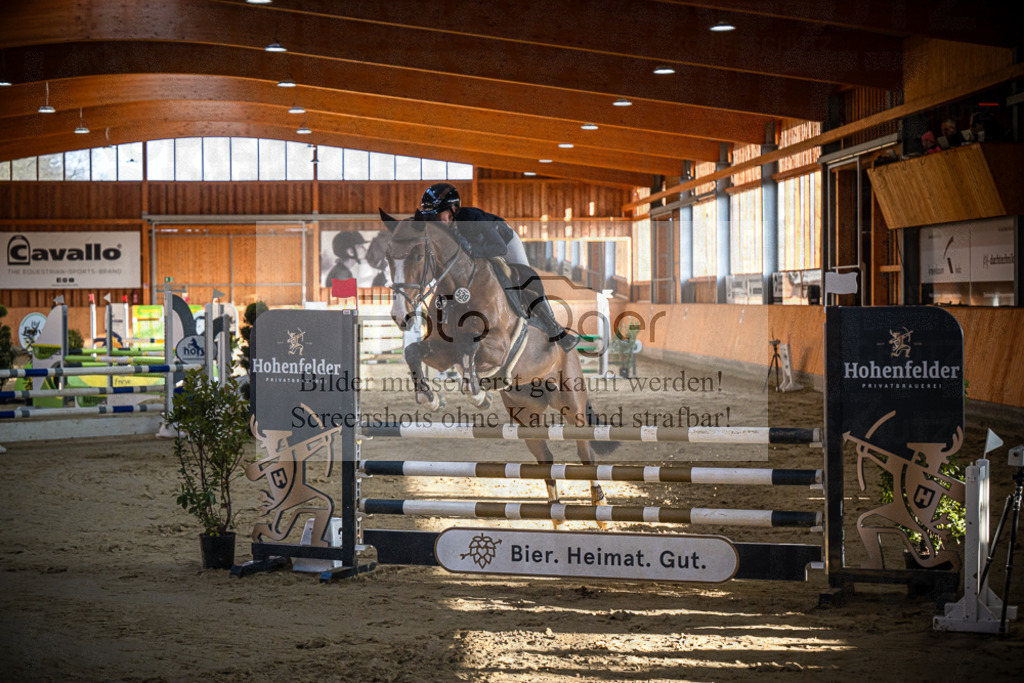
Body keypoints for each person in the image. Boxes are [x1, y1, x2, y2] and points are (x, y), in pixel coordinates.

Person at [418, 182, 579, 351]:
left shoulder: (472, 217)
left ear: (452, 210)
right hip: (478, 252)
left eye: (437, 215)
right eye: (431, 216)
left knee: (526, 278)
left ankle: (556, 330)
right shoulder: (442, 229)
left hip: (504, 242)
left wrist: (473, 251)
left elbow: (499, 248)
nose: (434, 220)